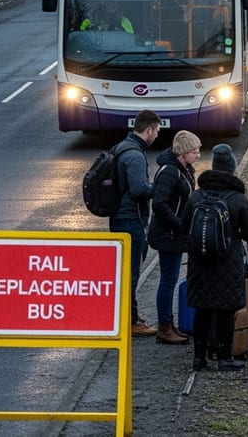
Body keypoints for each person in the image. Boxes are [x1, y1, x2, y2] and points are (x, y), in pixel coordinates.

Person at [185, 144, 248, 371]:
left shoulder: (196, 196)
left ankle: (199, 357)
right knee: (227, 309)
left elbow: (184, 225)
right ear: (232, 169)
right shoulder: (238, 199)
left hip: (200, 261)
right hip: (228, 260)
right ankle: (225, 357)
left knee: (202, 308)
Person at [111, 109, 162, 336]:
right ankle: (131, 321)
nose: (157, 136)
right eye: (157, 131)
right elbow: (139, 189)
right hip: (131, 219)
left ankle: (129, 313)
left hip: (120, 215)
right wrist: (159, 189)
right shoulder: (135, 155)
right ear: (148, 129)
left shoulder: (121, 147)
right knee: (130, 271)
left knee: (125, 269)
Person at [149, 129, 200, 345]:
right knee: (168, 280)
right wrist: (179, 224)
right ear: (183, 153)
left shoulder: (185, 169)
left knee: (170, 278)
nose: (198, 154)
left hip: (175, 234)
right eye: (194, 151)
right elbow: (159, 203)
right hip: (168, 234)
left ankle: (168, 324)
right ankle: (164, 326)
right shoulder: (171, 172)